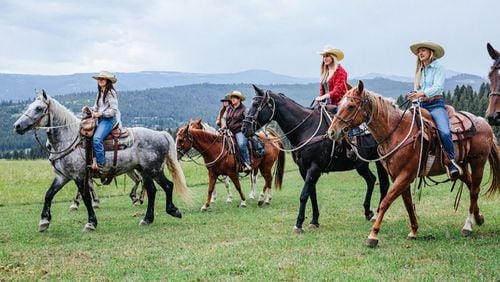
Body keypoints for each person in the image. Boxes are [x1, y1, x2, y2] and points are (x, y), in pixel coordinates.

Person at [406, 40, 462, 179]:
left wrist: (421, 93)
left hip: (436, 105)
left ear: (431, 53)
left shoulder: (438, 68)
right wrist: (414, 95)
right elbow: (418, 89)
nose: (420, 53)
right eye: (419, 51)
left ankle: (451, 163)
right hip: (421, 105)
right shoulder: (420, 70)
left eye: (423, 50)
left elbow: (438, 87)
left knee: (443, 132)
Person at [83, 70, 121, 172]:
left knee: (96, 139)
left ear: (107, 81)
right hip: (100, 119)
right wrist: (89, 110)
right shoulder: (100, 92)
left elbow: (113, 110)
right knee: (86, 135)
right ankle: (92, 161)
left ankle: (101, 164)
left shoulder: (111, 93)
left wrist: (101, 114)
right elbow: (96, 108)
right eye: (99, 79)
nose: (100, 80)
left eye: (102, 79)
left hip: (109, 120)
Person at [224, 90, 252, 172]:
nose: (232, 99)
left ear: (239, 99)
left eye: (235, 98)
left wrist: (243, 128)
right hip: (229, 130)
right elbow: (224, 118)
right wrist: (223, 125)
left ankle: (247, 163)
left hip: (239, 131)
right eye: (232, 97)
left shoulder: (244, 109)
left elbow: (248, 121)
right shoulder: (229, 108)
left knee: (241, 144)